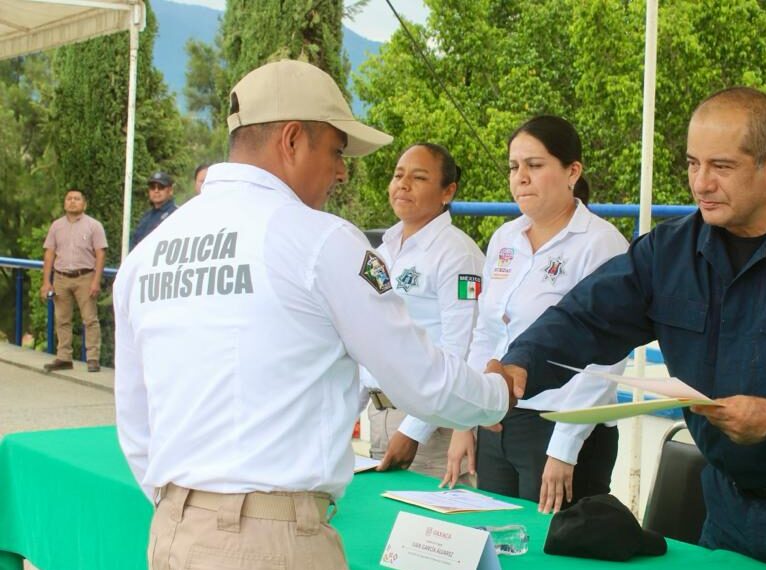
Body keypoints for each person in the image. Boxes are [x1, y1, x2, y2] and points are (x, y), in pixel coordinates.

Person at [493, 89, 766, 569]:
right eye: (692, 163)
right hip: (728, 511)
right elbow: (585, 316)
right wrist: (520, 365)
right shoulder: (672, 251)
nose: (701, 183)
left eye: (721, 166)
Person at [113, 59, 521, 570]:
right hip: (272, 541)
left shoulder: (149, 252)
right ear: (291, 140)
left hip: (173, 531)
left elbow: (134, 420)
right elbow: (424, 381)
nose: (343, 170)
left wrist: (188, 505)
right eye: (336, 150)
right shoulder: (320, 241)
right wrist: (497, 394)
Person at [441, 116, 629, 515]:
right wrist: (470, 413)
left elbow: (607, 354)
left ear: (572, 171)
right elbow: (487, 333)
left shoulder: (601, 243)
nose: (521, 177)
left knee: (554, 551)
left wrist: (565, 446)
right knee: (497, 540)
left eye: (535, 165)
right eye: (514, 167)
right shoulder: (504, 238)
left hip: (564, 428)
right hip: (498, 422)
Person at [360, 143, 484, 479]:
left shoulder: (457, 254)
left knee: (432, 531)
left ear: (448, 191)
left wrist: (414, 430)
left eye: (418, 177)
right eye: (399, 175)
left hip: (433, 429)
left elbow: (461, 350)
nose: (403, 184)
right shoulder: (382, 252)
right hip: (380, 416)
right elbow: (368, 338)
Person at [40, 188, 108, 373]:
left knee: (90, 319)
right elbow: (49, 254)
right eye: (69, 198)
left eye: (76, 199)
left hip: (84, 277)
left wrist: (96, 280)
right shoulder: (56, 226)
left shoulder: (94, 226)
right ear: (64, 203)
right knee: (61, 319)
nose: (72, 201)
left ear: (84, 204)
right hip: (61, 277)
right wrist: (47, 281)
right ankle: (64, 357)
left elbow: (100, 254)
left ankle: (93, 358)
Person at [129, 171, 178, 250]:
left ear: (170, 190)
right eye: (152, 187)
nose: (156, 190)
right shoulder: (145, 217)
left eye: (161, 187)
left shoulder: (176, 214)